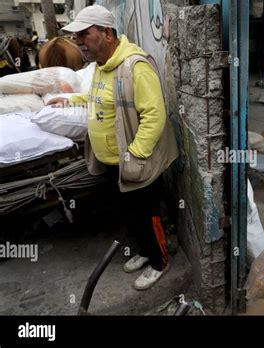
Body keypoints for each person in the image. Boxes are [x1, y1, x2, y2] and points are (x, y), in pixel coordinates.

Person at [47, 5, 178, 290]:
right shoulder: (101, 67)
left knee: (147, 214)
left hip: (135, 161)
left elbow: (155, 115)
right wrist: (72, 100)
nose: (79, 41)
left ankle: (160, 262)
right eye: (76, 36)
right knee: (130, 214)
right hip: (113, 162)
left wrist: (136, 154)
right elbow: (99, 98)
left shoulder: (135, 66)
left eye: (84, 34)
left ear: (107, 33)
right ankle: (144, 252)